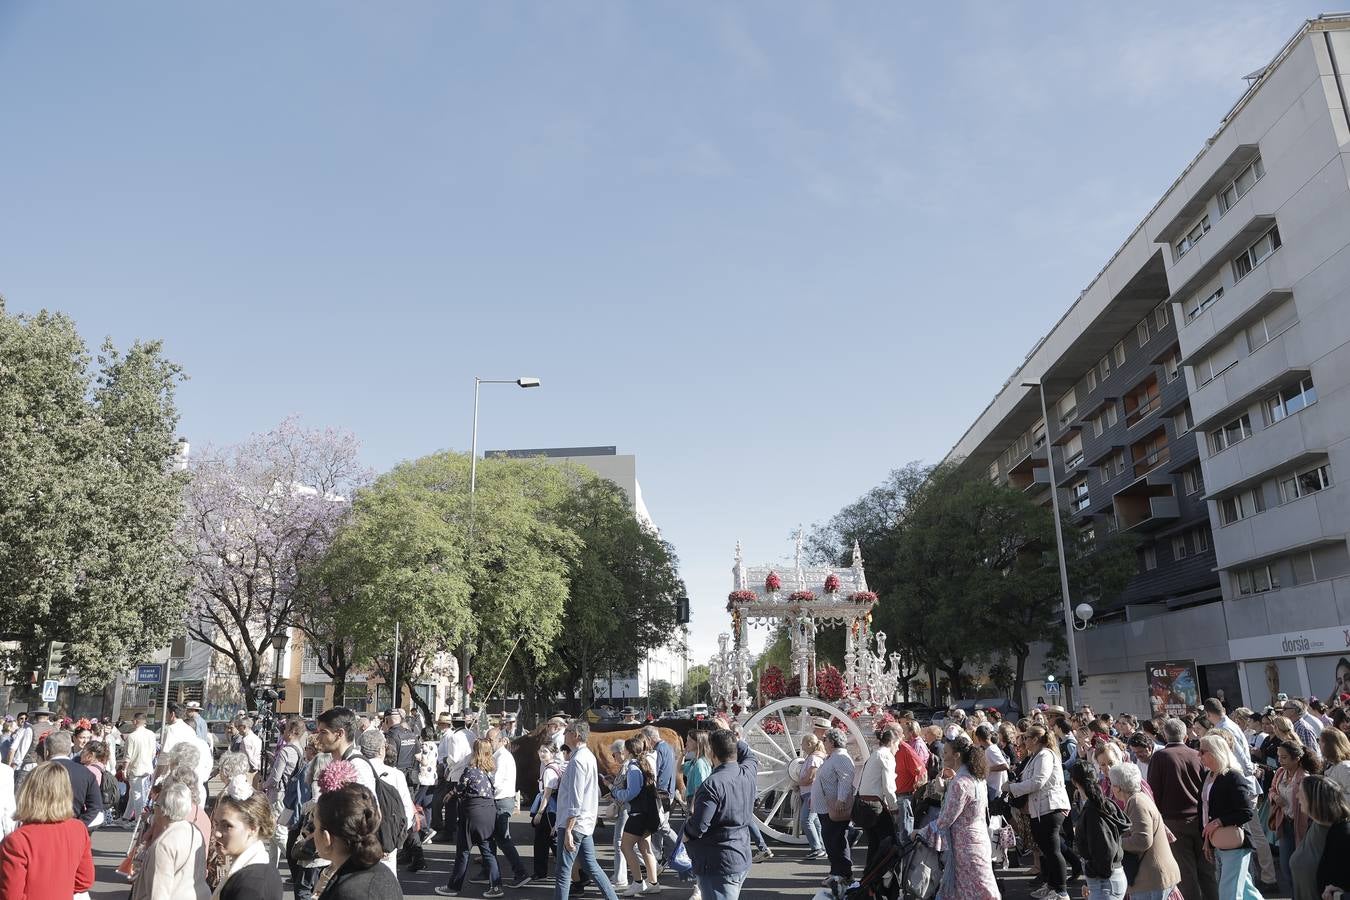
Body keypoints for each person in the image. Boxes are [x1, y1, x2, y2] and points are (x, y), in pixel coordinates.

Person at [0, 762, 94, 898]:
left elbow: (10, 895)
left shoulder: (17, 841)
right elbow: (84, 880)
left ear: (28, 793)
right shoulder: (78, 829)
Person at [683, 728, 757, 900]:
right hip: (741, 855)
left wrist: (686, 833)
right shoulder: (748, 772)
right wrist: (733, 738)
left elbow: (699, 827)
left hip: (718, 861)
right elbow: (750, 755)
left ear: (712, 752)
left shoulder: (711, 785)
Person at [1147, 717, 1216, 900]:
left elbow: (1154, 792)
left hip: (1174, 821)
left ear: (1164, 735)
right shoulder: (1196, 755)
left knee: (1186, 872)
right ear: (1186, 736)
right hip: (1200, 819)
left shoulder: (1160, 757)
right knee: (1207, 870)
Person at [549, 721, 619, 900]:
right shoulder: (585, 756)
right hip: (584, 822)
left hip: (574, 823)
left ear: (576, 735)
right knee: (590, 866)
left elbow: (575, 799)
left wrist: (569, 830)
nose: (564, 735)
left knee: (563, 872)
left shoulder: (579, 759)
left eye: (567, 731)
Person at [1005, 724, 1074, 900]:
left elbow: (1038, 782)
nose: (1023, 741)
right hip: (1039, 809)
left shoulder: (1044, 755)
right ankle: (1052, 885)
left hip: (1050, 807)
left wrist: (1012, 788)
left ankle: (1061, 891)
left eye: (1027, 737)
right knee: (1046, 848)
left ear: (1035, 739)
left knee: (1052, 850)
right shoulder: (1036, 756)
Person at [925, 733, 998, 900]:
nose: (943, 757)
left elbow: (945, 820)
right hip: (978, 840)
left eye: (946, 753)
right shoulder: (976, 778)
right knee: (980, 890)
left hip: (966, 847)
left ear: (957, 755)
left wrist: (921, 832)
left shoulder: (960, 783)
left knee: (975, 892)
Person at [1196, 733, 1262, 900]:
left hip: (1233, 842)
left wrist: (1218, 822)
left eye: (1202, 751)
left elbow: (1246, 811)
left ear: (1215, 752)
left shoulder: (1233, 776)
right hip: (1218, 840)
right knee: (1244, 889)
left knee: (1229, 892)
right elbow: (1204, 809)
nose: (1198, 755)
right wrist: (1206, 839)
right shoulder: (1208, 776)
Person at [312, 783, 402, 899]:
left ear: (326, 838)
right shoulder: (383, 872)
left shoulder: (347, 892)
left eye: (315, 827)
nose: (312, 835)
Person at [438, 738, 502, 898]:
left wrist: (450, 794)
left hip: (472, 811)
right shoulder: (489, 771)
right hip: (489, 810)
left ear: (475, 751)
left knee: (464, 851)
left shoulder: (470, 770)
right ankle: (496, 886)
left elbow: (460, 788)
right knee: (488, 850)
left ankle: (453, 886)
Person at [1109, 760, 1179, 900]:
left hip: (1152, 878)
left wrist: (1114, 842)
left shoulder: (1137, 802)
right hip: (1151, 877)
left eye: (1111, 784)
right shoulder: (1138, 799)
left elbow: (1142, 841)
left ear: (1117, 788)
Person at [129, 781, 209, 900]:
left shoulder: (164, 844)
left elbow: (158, 893)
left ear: (162, 810)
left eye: (155, 805)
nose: (154, 809)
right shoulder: (195, 831)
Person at [355, 728, 415, 875]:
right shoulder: (396, 775)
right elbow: (406, 810)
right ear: (382, 749)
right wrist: (395, 839)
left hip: (360, 839)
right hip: (388, 837)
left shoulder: (354, 771)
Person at [1068, 761, 1128, 900]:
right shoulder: (1102, 804)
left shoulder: (1094, 810)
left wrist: (1094, 875)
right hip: (1107, 879)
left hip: (1106, 881)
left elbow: (1104, 850)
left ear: (1074, 781)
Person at [212, 781, 283, 900]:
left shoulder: (251, 886)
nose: (217, 833)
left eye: (227, 826)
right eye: (216, 824)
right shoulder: (262, 869)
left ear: (253, 828)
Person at [613, 736, 662, 896]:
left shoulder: (633, 768)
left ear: (628, 751)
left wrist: (615, 792)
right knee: (644, 847)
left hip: (638, 815)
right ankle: (653, 882)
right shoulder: (644, 764)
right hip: (647, 814)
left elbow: (630, 793)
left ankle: (638, 882)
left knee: (625, 847)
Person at [1270, 739, 1319, 896]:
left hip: (1303, 826)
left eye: (1284, 757)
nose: (1280, 761)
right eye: (1279, 757)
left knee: (1301, 867)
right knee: (1286, 867)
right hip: (1285, 823)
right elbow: (1272, 789)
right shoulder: (1280, 773)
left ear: (1296, 758)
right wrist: (1275, 797)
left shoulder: (1304, 778)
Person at [485, 727, 529, 888]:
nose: (488, 743)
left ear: (502, 740)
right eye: (487, 740)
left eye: (491, 740)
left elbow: (495, 782)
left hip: (501, 800)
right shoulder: (498, 756)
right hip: (500, 800)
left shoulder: (502, 757)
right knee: (491, 837)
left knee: (502, 839)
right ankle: (487, 870)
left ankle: (520, 872)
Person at [810, 728, 856, 881]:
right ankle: (836, 871)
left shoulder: (841, 757)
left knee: (835, 840)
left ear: (832, 741)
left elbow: (846, 780)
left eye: (825, 740)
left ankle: (842, 873)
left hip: (835, 808)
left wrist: (841, 800)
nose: (823, 743)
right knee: (830, 840)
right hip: (827, 807)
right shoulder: (833, 757)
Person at [855, 726, 898, 873]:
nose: (897, 749)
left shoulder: (875, 754)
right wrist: (895, 808)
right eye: (897, 744)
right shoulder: (886, 756)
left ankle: (869, 877)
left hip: (864, 805)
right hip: (874, 805)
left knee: (874, 844)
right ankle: (881, 877)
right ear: (892, 742)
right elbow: (888, 786)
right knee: (889, 843)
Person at [43, 731, 102, 830]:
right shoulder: (85, 773)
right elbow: (96, 808)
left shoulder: (37, 772)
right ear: (69, 749)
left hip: (44, 828)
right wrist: (80, 825)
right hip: (74, 828)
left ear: (47, 751)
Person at [531, 745, 563, 884]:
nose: (541, 753)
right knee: (550, 840)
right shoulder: (553, 767)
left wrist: (539, 812)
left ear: (553, 753)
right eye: (540, 750)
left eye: (545, 751)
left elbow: (547, 794)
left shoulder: (549, 771)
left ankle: (540, 873)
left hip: (548, 810)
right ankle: (577, 873)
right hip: (552, 809)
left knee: (543, 841)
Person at [121, 712, 158, 824]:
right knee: (134, 792)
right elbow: (153, 752)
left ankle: (138, 819)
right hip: (147, 767)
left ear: (135, 721)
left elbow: (128, 756)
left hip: (136, 768)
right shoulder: (151, 734)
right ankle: (126, 817)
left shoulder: (132, 736)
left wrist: (124, 769)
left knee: (137, 794)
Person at [793, 734, 825, 860]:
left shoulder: (813, 758)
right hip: (811, 793)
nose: (801, 746)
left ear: (809, 744)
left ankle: (817, 848)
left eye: (803, 743)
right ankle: (821, 847)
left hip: (811, 794)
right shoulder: (814, 757)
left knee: (806, 820)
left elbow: (810, 778)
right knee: (816, 822)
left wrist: (797, 783)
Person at [1321, 727, 1350, 797]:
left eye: (1321, 741)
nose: (1319, 743)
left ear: (1329, 745)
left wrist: (1334, 799)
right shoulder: (1330, 765)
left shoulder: (1344, 767)